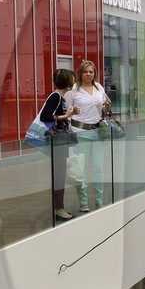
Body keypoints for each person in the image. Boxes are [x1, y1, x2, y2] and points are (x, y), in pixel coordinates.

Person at [65, 60, 109, 212]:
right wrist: (72, 113)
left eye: (91, 72)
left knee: (98, 167)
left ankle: (99, 200)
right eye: (85, 72)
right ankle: (83, 202)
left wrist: (107, 106)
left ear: (94, 73)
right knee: (81, 168)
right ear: (80, 73)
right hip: (80, 132)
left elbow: (104, 110)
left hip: (97, 131)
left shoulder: (99, 87)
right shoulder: (74, 90)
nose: (88, 74)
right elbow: (67, 112)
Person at [39, 68, 75, 222]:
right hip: (58, 141)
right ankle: (58, 208)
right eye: (72, 78)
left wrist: (67, 115)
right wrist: (65, 116)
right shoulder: (55, 97)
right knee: (59, 174)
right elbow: (45, 116)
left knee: (60, 174)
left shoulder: (60, 97)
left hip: (61, 141)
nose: (74, 81)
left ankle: (59, 207)